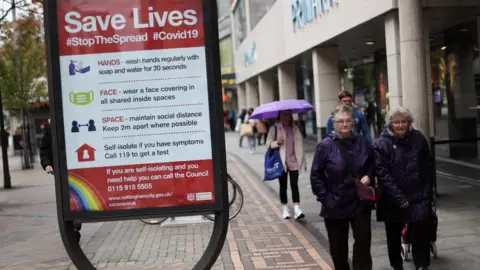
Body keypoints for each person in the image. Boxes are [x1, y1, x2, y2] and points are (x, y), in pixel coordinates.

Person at [310, 104, 374, 270]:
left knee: (363, 243)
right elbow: (316, 176)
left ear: (353, 121)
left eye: (347, 121)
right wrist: (327, 199)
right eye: (340, 121)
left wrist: (370, 176)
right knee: (338, 248)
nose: (344, 125)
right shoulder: (325, 146)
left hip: (359, 202)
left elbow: (373, 165)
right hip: (335, 203)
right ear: (333, 123)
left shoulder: (363, 142)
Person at [374, 107, 434, 270]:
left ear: (409, 123)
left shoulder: (418, 138)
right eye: (396, 122)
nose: (400, 125)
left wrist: (428, 192)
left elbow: (428, 165)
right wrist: (399, 197)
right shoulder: (381, 144)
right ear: (390, 124)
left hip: (418, 195)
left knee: (421, 232)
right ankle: (397, 265)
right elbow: (383, 174)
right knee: (393, 235)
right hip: (392, 199)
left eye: (403, 122)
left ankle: (422, 265)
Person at [40, 119, 82, 243]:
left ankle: (75, 226)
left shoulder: (74, 121)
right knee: (65, 197)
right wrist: (47, 164)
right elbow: (44, 149)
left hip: (76, 167)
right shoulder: (51, 127)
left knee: (76, 195)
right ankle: (71, 225)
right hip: (60, 169)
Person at [266, 110, 306, 220]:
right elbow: (267, 144)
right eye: (284, 114)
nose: (286, 116)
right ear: (279, 116)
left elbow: (300, 147)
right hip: (281, 163)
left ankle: (297, 209)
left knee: (294, 185)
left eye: (288, 114)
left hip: (294, 161)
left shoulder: (295, 129)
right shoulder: (274, 129)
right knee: (283, 186)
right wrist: (276, 143)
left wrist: (303, 162)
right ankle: (285, 208)